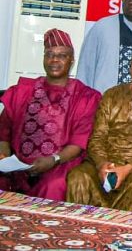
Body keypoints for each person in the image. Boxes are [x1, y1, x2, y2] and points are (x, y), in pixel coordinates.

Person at [66, 42, 132, 212]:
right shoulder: (112, 95)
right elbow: (97, 137)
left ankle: (121, 229)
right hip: (105, 161)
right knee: (78, 177)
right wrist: (102, 164)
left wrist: (127, 168)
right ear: (130, 66)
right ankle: (80, 227)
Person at [0, 29, 100, 201]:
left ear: (71, 60)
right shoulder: (22, 91)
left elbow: (78, 143)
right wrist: (3, 155)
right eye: (50, 54)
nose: (54, 60)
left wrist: (54, 159)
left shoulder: (86, 97)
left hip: (60, 163)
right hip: (18, 166)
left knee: (53, 186)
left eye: (62, 56)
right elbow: (4, 131)